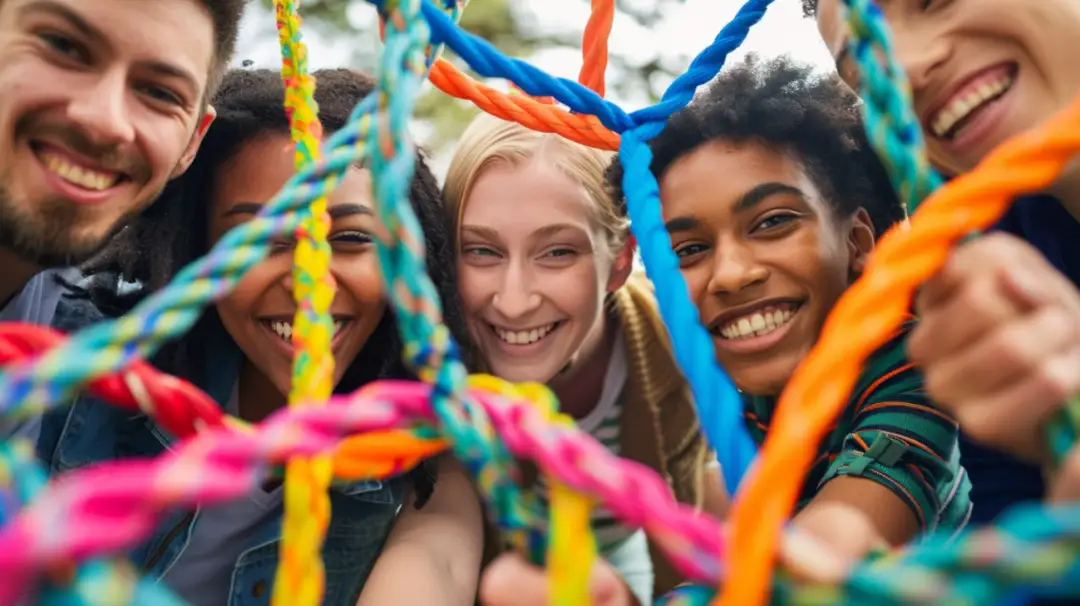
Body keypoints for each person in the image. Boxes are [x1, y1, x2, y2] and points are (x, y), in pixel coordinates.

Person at [480, 55, 969, 606]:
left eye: (772, 222)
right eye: (689, 249)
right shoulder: (748, 397)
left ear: (856, 241)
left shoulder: (914, 366)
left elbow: (833, 545)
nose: (732, 275)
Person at [34, 68, 484, 606]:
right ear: (198, 250)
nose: (308, 281)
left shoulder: (416, 454)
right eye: (259, 238)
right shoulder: (77, 362)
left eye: (351, 238)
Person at [806, 0, 1080, 522]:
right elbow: (1010, 512)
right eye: (867, 73)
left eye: (935, 2)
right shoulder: (972, 252)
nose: (903, 69)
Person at [443, 112, 725, 604]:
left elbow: (694, 515)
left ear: (618, 262)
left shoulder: (671, 345)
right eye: (482, 251)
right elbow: (439, 544)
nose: (514, 301)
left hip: (628, 558)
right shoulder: (440, 372)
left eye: (556, 253)